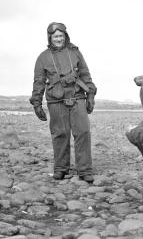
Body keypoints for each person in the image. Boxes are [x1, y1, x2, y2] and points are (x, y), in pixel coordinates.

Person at [30, 22, 97, 182]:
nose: (58, 39)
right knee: (60, 134)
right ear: (50, 38)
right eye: (55, 37)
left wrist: (91, 94)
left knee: (83, 132)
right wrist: (37, 103)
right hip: (55, 101)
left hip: (77, 97)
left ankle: (85, 170)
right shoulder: (42, 57)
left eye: (60, 36)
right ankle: (60, 168)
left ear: (65, 36)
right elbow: (38, 81)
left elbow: (85, 74)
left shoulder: (75, 53)